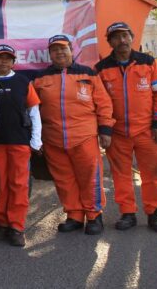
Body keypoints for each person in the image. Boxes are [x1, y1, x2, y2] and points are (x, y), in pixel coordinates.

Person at [33, 34, 115, 235]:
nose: (59, 52)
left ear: (71, 50)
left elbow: (104, 103)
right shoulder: (40, 79)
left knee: (90, 178)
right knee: (64, 180)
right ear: (50, 54)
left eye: (63, 48)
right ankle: (74, 215)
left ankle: (94, 215)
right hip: (53, 139)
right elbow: (33, 109)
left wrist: (105, 129)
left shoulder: (88, 74)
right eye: (55, 50)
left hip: (84, 137)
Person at [95, 22, 157, 233]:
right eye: (116, 37)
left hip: (147, 131)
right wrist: (105, 130)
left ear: (132, 37)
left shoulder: (148, 63)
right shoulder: (101, 69)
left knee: (152, 174)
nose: (122, 41)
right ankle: (127, 214)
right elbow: (100, 102)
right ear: (109, 42)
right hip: (117, 134)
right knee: (121, 175)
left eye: (125, 36)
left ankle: (155, 214)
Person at [0, 44, 42, 247]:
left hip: (20, 141)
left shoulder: (22, 81)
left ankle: (17, 227)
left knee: (18, 184)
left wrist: (36, 140)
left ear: (13, 62)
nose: (3, 61)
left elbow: (34, 111)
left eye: (7, 58)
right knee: (0, 184)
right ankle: (3, 223)